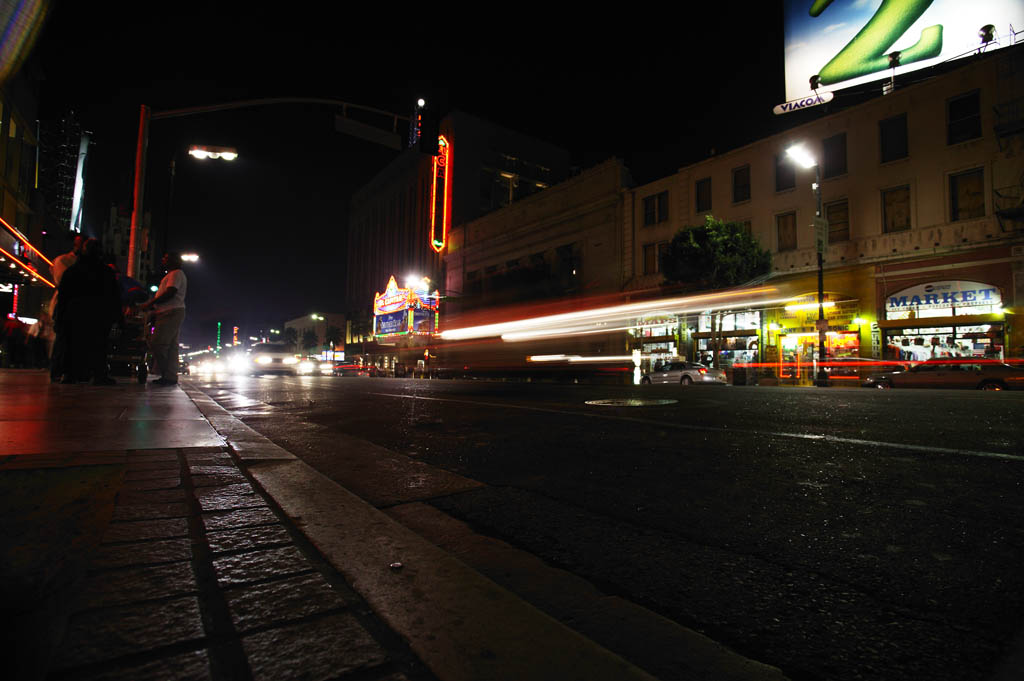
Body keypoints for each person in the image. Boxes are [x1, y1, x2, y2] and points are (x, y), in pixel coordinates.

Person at [53, 238, 121, 384]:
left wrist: (60, 317)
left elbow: (64, 296)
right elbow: (114, 297)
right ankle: (98, 375)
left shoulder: (72, 271)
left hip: (74, 314)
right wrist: (118, 318)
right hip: (98, 315)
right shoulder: (106, 272)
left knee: (72, 344)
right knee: (98, 346)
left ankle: (70, 374)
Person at [141, 252, 187, 385]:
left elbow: (171, 292)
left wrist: (151, 303)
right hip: (171, 311)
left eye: (166, 258)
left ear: (174, 260)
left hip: (170, 312)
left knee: (158, 343)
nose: (163, 260)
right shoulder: (172, 274)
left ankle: (167, 374)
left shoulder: (176, 274)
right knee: (172, 346)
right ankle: (170, 376)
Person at [49, 235, 84, 381]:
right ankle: (58, 371)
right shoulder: (64, 261)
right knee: (64, 338)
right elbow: (63, 282)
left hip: (77, 305)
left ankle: (68, 370)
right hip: (67, 304)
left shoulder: (80, 263)